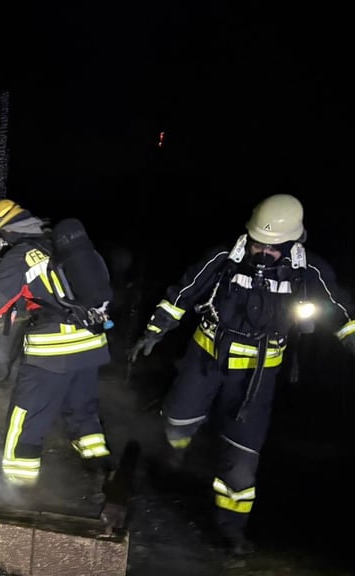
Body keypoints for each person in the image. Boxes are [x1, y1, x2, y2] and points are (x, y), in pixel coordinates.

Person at [129, 193, 355, 555]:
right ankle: (174, 456)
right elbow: (183, 294)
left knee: (241, 463)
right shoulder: (223, 259)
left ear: (293, 241)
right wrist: (154, 332)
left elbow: (342, 313)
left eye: (272, 247)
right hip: (205, 360)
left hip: (256, 379)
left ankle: (231, 530)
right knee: (176, 419)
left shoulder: (308, 271)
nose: (262, 253)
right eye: (257, 243)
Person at [0, 199, 113, 488]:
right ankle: (100, 469)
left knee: (26, 417)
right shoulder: (57, 246)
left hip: (54, 352)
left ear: (4, 232)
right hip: (91, 345)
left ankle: (18, 486)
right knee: (82, 410)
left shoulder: (24, 255)